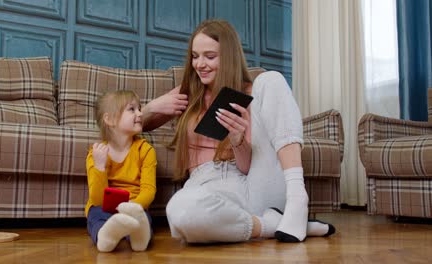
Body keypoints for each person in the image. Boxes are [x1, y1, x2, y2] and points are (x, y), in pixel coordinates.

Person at [142, 19, 335, 243]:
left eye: (210, 56)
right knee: (179, 211)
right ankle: (271, 225)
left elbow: (245, 167)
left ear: (229, 57)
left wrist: (237, 140)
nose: (200, 64)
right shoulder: (188, 94)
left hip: (254, 181)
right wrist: (152, 107)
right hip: (206, 186)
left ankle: (297, 198)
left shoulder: (253, 93)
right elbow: (138, 126)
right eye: (195, 56)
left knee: (271, 79)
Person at [85, 90, 157, 252]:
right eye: (132, 109)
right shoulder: (96, 153)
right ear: (109, 119)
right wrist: (100, 167)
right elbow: (97, 199)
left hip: (134, 206)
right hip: (103, 207)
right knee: (95, 215)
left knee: (143, 217)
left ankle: (139, 238)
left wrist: (132, 206)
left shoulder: (145, 150)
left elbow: (149, 191)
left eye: (139, 108)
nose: (140, 113)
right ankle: (105, 236)